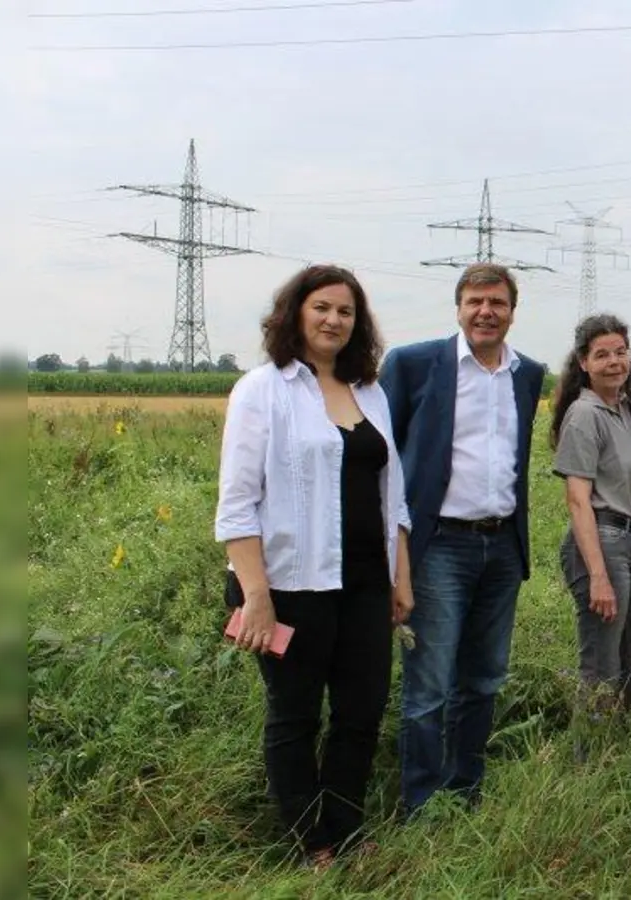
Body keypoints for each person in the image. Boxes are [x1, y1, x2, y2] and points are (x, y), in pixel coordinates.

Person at [214, 263, 414, 870]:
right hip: (291, 585)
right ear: (296, 312)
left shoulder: (370, 391)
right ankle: (310, 839)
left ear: (359, 324)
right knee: (295, 715)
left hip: (363, 585)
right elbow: (237, 504)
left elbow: (393, 497)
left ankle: (347, 828)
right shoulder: (263, 389)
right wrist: (257, 596)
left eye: (346, 312)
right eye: (322, 307)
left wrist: (399, 579)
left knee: (360, 712)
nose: (334, 320)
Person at [380, 262, 546, 815]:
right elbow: (383, 462)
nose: (485, 312)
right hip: (439, 547)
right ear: (458, 308)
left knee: (484, 679)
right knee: (428, 685)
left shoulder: (527, 374)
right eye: (475, 301)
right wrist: (393, 550)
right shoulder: (413, 365)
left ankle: (465, 791)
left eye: (497, 302)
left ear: (512, 312)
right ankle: (422, 805)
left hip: (501, 546)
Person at [549, 314, 631, 730]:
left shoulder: (624, 410)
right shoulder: (584, 414)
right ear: (583, 362)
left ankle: (617, 750)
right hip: (600, 544)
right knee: (601, 668)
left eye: (621, 352)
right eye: (602, 355)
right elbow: (577, 500)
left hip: (628, 544)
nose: (614, 362)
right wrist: (597, 576)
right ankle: (587, 763)